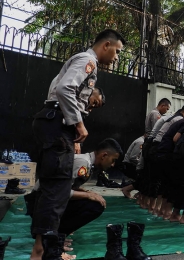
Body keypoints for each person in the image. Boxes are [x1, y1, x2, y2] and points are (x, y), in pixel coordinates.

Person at [30, 29, 124, 260]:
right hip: (57, 123)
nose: (117, 57)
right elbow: (64, 90)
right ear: (107, 45)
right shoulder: (87, 60)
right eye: (117, 51)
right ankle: (43, 252)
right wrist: (78, 124)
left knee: (56, 188)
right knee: (57, 190)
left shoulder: (86, 62)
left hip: (54, 124)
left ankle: (44, 249)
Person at [26, 138, 122, 260]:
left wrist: (86, 192)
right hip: (40, 202)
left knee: (93, 202)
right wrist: (88, 195)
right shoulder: (83, 162)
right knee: (93, 205)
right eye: (113, 160)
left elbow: (66, 187)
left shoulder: (87, 164)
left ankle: (56, 239)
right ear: (104, 155)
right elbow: (59, 192)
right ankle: (53, 243)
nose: (112, 165)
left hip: (48, 201)